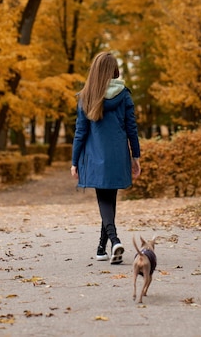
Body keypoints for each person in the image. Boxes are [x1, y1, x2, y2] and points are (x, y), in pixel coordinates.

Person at [71, 51, 141, 265]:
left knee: (104, 198)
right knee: (110, 198)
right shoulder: (124, 94)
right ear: (114, 70)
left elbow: (80, 132)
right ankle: (103, 248)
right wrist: (135, 156)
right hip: (118, 154)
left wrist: (74, 161)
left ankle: (114, 240)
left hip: (95, 155)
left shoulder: (86, 96)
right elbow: (131, 128)